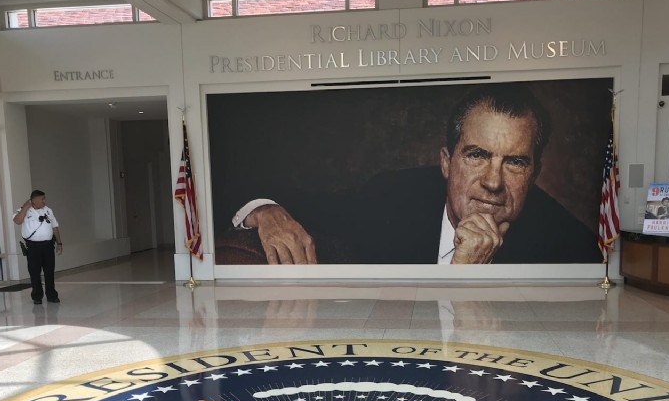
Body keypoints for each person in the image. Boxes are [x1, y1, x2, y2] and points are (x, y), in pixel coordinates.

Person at [224, 84, 601, 265]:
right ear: (445, 162)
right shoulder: (393, 195)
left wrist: (467, 277)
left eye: (515, 162)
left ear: (534, 172)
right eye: (476, 155)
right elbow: (310, 205)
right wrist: (267, 211)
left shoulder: (568, 246)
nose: (493, 181)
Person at [13, 190, 63, 304]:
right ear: (34, 200)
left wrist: (59, 243)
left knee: (49, 271)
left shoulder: (48, 210)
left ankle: (51, 295)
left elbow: (54, 227)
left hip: (48, 246)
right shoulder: (24, 211)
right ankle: (37, 296)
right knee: (34, 272)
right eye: (42, 199)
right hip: (33, 247)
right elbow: (17, 221)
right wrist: (25, 207)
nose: (44, 201)